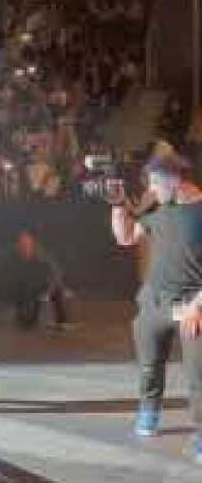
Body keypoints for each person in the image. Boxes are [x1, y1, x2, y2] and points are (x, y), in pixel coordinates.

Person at [111, 149, 202, 458]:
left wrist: (198, 305)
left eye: (154, 183)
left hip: (192, 304)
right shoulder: (154, 205)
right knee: (149, 365)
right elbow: (125, 238)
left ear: (175, 181)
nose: (149, 189)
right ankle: (149, 411)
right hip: (154, 301)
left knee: (198, 375)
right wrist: (118, 208)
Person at [9, 230, 71, 331]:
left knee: (57, 290)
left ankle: (61, 321)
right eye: (22, 244)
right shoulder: (13, 256)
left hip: (41, 285)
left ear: (33, 244)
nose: (25, 246)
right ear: (18, 245)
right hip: (24, 288)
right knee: (26, 323)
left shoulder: (42, 255)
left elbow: (55, 272)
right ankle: (25, 316)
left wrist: (51, 288)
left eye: (27, 243)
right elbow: (4, 268)